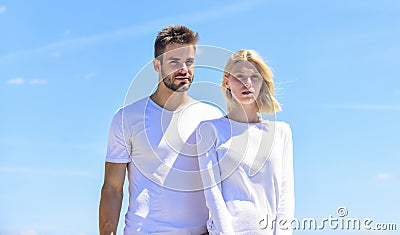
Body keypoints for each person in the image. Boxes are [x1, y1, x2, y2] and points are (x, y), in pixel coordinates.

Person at [99, 25, 222, 235]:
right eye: (174, 61)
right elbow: (112, 188)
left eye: (189, 62)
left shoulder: (211, 117)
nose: (184, 69)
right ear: (157, 65)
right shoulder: (127, 118)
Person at [196, 49, 295, 234]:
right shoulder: (209, 130)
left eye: (254, 77)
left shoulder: (281, 132)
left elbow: (286, 195)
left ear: (262, 83)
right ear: (227, 81)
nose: (247, 83)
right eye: (239, 76)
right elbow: (213, 194)